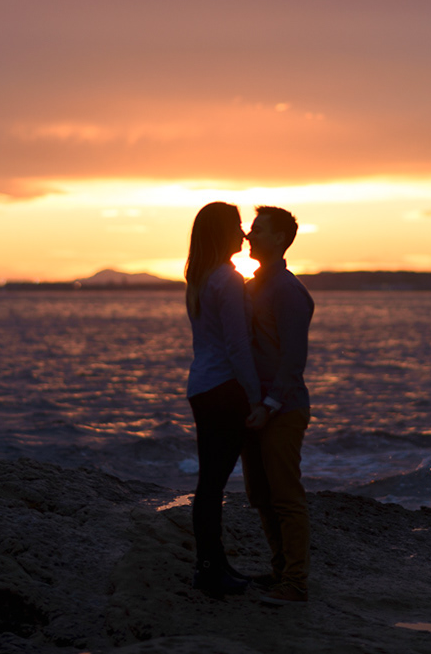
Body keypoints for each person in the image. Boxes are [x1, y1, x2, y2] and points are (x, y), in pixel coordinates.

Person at [184, 201, 261, 597]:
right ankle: (210, 570)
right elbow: (238, 346)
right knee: (213, 485)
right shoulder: (227, 280)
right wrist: (256, 398)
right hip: (224, 390)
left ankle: (212, 565)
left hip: (202, 385)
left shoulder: (199, 278)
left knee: (208, 483)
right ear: (220, 232)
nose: (245, 232)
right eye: (237, 225)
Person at [242, 205, 315, 605]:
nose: (248, 235)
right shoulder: (254, 285)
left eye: (256, 229)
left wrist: (269, 405)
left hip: (282, 410)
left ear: (280, 239)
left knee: (285, 496)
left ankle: (296, 582)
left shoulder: (288, 291)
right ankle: (279, 569)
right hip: (256, 408)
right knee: (259, 494)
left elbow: (293, 361)